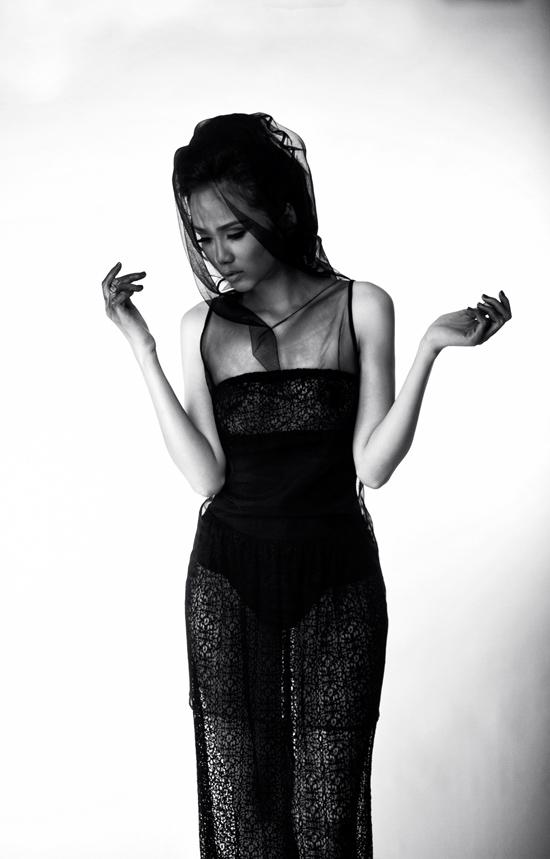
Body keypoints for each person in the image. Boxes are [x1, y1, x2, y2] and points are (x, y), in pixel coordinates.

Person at [101, 112, 511, 858]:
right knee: (244, 820)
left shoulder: (363, 305)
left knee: (328, 818)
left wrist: (429, 350)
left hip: (336, 580)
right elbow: (206, 476)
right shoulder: (200, 327)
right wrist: (143, 346)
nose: (217, 255)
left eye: (234, 232)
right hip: (228, 580)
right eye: (203, 237)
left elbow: (372, 466)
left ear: (284, 214)